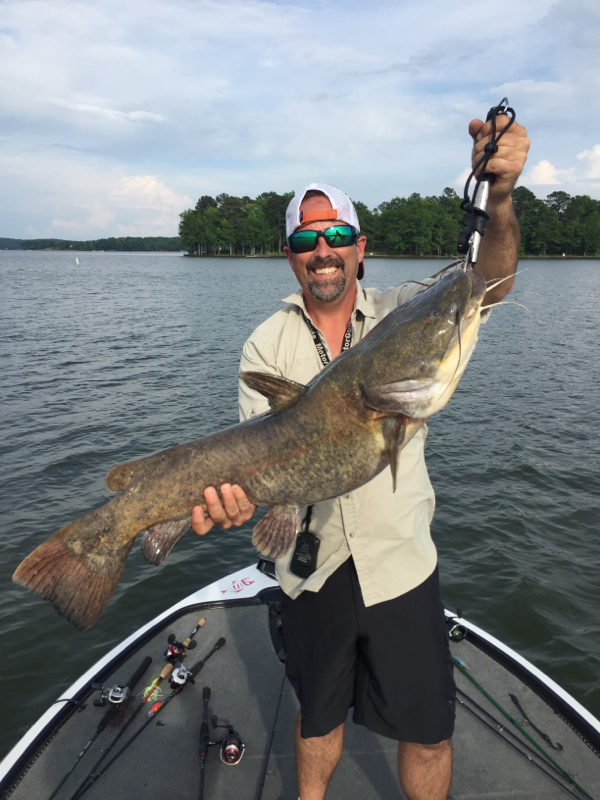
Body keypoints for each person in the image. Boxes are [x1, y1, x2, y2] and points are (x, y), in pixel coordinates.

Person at [191, 114, 530, 800]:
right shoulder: (265, 347)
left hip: (399, 562)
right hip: (311, 573)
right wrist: (230, 502)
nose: (324, 250)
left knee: (429, 730)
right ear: (291, 254)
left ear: (360, 248)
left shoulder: (407, 309)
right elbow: (262, 464)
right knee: (316, 722)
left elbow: (489, 281)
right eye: (307, 239)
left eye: (337, 235)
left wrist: (498, 198)